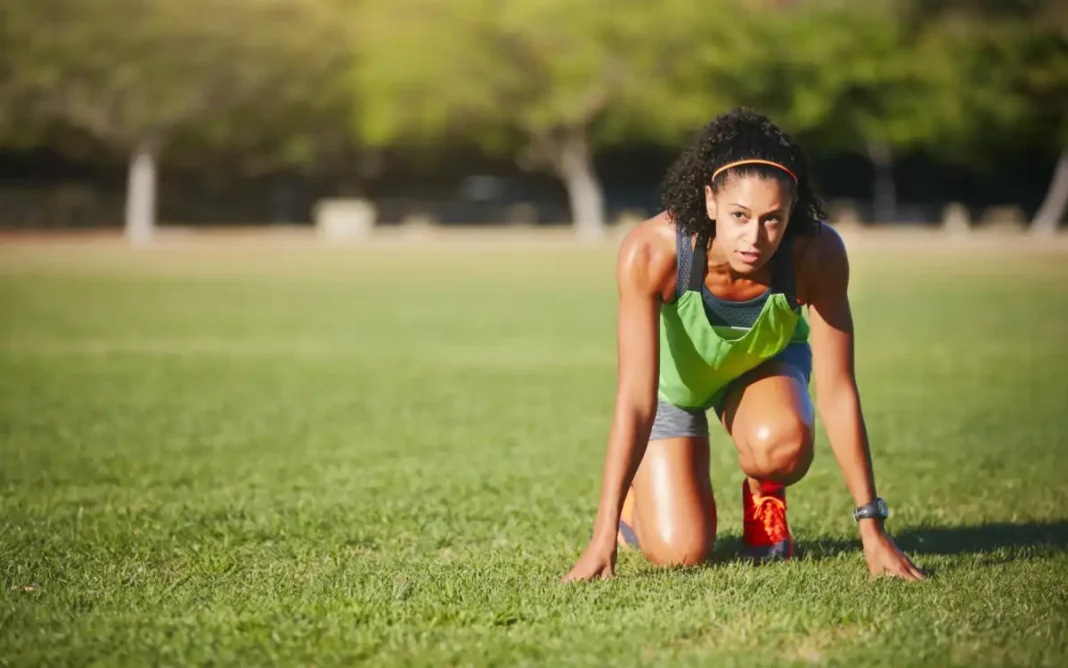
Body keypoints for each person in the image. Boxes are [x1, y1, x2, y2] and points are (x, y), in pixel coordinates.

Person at [562, 108, 924, 582]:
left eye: (773, 219)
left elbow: (837, 393)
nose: (754, 237)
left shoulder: (817, 254)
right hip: (677, 390)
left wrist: (872, 531)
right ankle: (638, 499)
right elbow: (634, 398)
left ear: (792, 212)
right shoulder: (652, 251)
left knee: (782, 445)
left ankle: (764, 493)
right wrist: (602, 534)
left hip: (762, 373)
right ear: (710, 201)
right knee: (679, 552)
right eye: (739, 215)